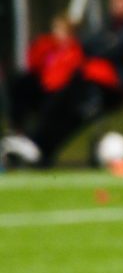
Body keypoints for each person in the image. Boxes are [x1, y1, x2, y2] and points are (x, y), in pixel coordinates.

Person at [8, 14, 84, 165]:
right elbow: (34, 65)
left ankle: (35, 145)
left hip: (61, 93)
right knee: (21, 85)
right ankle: (17, 130)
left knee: (53, 107)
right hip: (44, 89)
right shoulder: (48, 47)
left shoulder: (74, 51)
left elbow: (65, 75)